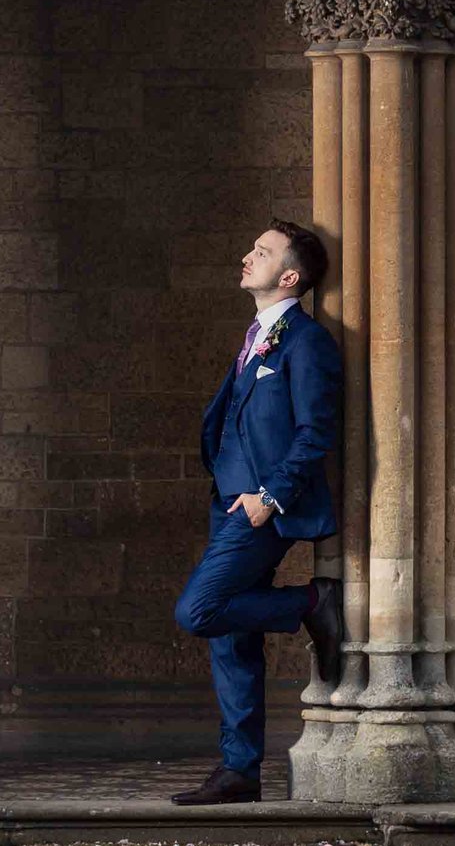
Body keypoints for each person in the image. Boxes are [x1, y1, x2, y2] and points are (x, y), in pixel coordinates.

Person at [170, 220, 348, 806]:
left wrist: (269, 497)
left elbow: (315, 432)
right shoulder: (257, 336)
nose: (248, 255)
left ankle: (310, 603)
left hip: (260, 509)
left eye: (263, 252)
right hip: (226, 502)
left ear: (290, 276)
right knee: (231, 638)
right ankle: (240, 770)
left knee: (200, 610)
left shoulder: (306, 341)